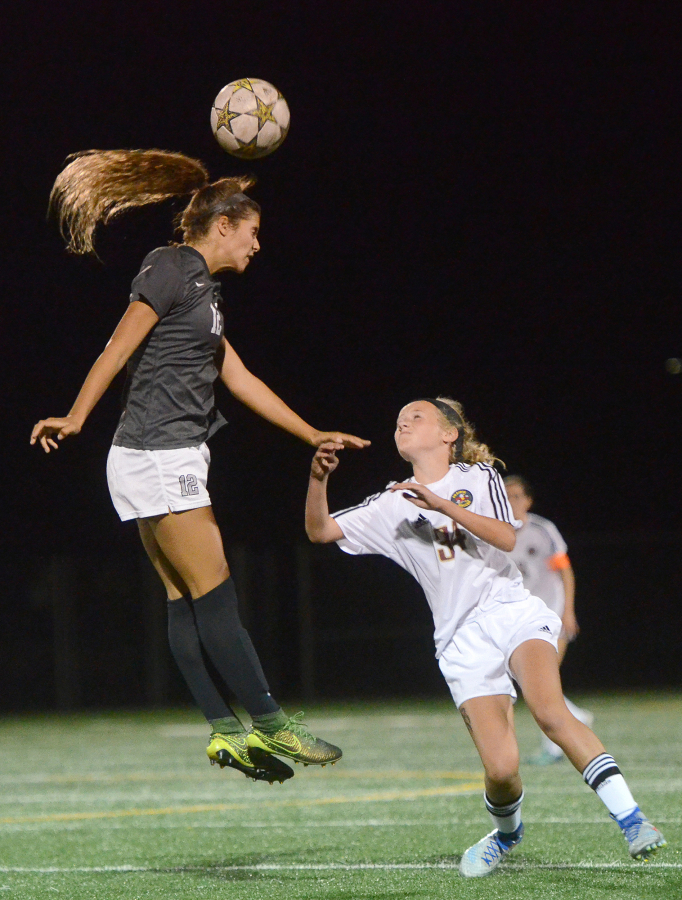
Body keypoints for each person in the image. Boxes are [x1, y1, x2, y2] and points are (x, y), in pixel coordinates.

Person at [31, 149, 369, 785]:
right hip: (161, 454)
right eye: (253, 232)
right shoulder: (172, 267)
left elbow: (239, 377)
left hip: (151, 456)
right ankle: (271, 724)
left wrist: (310, 433)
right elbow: (117, 345)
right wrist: (76, 416)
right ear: (224, 225)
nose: (257, 245)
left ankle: (222, 730)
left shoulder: (203, 293)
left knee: (184, 600)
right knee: (216, 596)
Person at [305, 397, 666, 876]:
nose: (403, 423)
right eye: (398, 421)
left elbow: (506, 538)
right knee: (501, 769)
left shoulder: (479, 478)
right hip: (459, 640)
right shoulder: (391, 503)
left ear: (449, 434)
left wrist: (437, 504)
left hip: (510, 611)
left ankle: (633, 820)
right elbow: (321, 531)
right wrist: (318, 478)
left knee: (550, 712)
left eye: (417, 417)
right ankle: (507, 832)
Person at [504, 475, 593, 764]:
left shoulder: (542, 530)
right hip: (520, 617)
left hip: (550, 614)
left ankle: (554, 748)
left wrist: (567, 611)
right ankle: (577, 717)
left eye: (517, 496)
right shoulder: (495, 531)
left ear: (528, 500)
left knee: (541, 682)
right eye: (506, 495)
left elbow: (564, 570)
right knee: (532, 683)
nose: (511, 501)